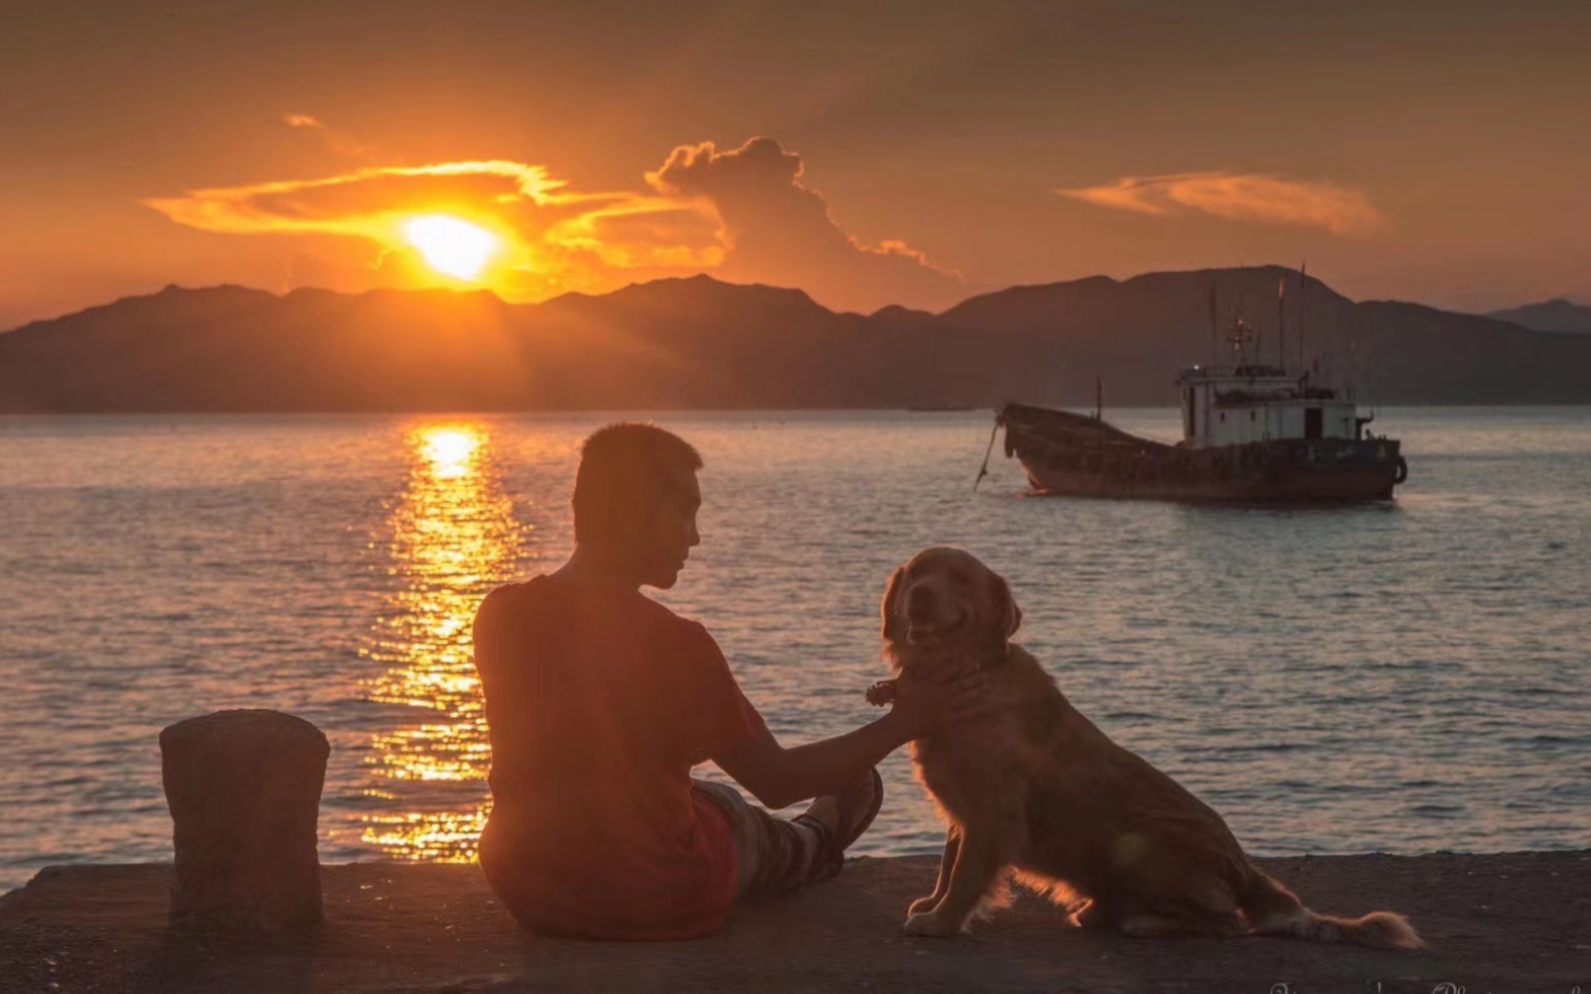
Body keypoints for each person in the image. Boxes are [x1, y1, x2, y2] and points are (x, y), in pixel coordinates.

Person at [471, 422, 983, 940]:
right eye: (685, 511)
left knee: (700, 795)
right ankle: (814, 839)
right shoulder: (675, 642)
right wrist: (906, 721)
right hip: (655, 896)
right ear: (635, 513)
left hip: (529, 887)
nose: (695, 535)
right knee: (740, 819)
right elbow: (776, 780)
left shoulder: (499, 614)